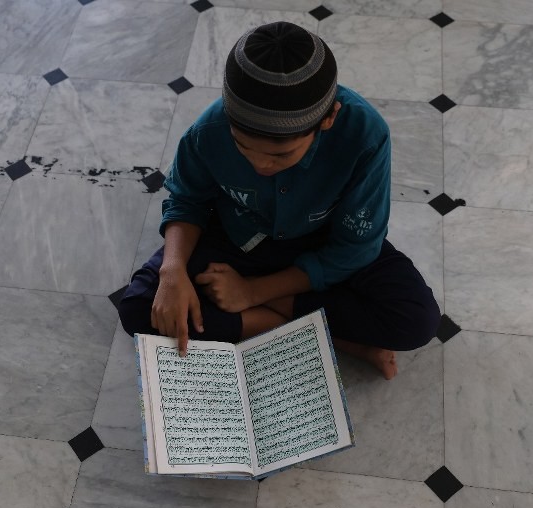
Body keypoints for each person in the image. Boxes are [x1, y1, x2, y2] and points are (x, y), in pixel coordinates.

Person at [119, 21, 440, 379]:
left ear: (328, 118)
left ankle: (270, 314)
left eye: (281, 155)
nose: (260, 165)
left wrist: (253, 292)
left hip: (323, 240)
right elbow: (186, 200)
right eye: (243, 149)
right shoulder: (209, 131)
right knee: (139, 309)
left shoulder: (365, 135)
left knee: (416, 321)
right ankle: (331, 338)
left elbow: (356, 247)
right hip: (239, 236)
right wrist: (173, 271)